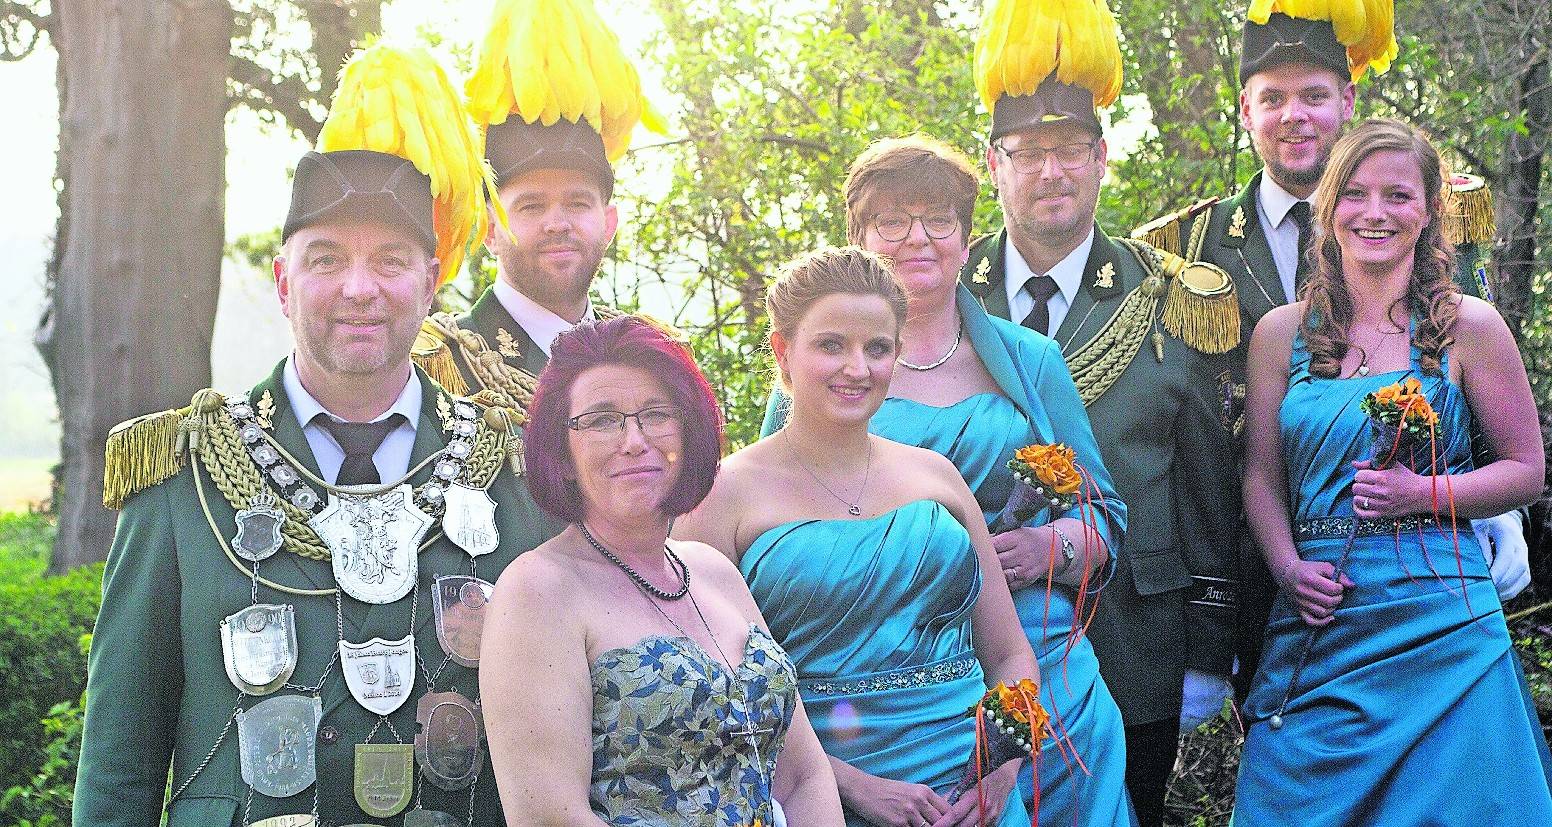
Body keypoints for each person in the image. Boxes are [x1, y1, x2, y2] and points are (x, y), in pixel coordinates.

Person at [74, 44, 560, 826]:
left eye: (390, 260)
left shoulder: (511, 470)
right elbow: (120, 766)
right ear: (283, 281)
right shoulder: (184, 477)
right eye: (326, 259)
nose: (359, 288)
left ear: (431, 282)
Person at [1131, 1, 1531, 703]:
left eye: (1315, 95)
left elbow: (1484, 407)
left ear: (1346, 100)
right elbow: (1182, 441)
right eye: (1274, 98)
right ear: (1244, 108)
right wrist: (1206, 622)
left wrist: (1493, 507)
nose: (1296, 116)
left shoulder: (1433, 222)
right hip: (1264, 583)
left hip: (1425, 572)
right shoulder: (1181, 254)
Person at [760, 136, 1134, 826]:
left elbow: (1103, 514)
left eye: (939, 219)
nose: (917, 238)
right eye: (891, 221)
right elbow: (776, 537)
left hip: (1036, 666)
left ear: (968, 239)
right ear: (859, 238)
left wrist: (1043, 548)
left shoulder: (1031, 361)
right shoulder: (817, 378)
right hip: (874, 683)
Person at [963, 2, 1242, 824]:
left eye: (1070, 152)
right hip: (968, 648)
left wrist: (1208, 649)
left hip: (1135, 646)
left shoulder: (1170, 296)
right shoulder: (940, 299)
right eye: (1029, 153)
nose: (1052, 172)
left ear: (1102, 158)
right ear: (993, 162)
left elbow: (1208, 483)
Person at [1233, 117, 1552, 824]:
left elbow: (1526, 470)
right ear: (1328, 206)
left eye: (1398, 196)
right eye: (1355, 193)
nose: (1375, 213)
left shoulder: (1472, 326)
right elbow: (1261, 477)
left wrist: (1426, 491)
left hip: (1444, 626)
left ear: (1430, 210)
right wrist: (1288, 569)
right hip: (1322, 620)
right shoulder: (1280, 333)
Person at [677, 246, 1042, 827]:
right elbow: (714, 697)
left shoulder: (936, 475)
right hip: (818, 796)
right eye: (831, 345)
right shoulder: (720, 495)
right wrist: (851, 788)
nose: (858, 368)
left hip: (976, 798)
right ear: (782, 351)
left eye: (878, 348)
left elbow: (1009, 651)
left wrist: (1007, 760)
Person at [479, 315, 844, 825]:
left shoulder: (713, 570)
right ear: (560, 449)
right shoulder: (537, 590)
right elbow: (549, 817)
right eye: (602, 419)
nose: (634, 440)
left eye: (656, 414)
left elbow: (803, 776)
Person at [413, 0, 661, 413]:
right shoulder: (437, 366)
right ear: (489, 229)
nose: (557, 224)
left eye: (578, 203)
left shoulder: (654, 352)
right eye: (530, 206)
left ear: (609, 222)